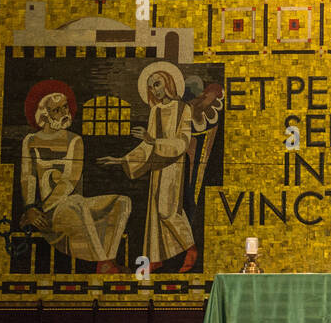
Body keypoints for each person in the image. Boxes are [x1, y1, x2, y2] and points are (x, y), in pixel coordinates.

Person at [19, 81, 130, 273]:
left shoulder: (75, 140)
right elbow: (27, 176)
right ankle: (106, 263)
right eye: (56, 110)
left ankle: (106, 261)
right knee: (77, 204)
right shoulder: (30, 141)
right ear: (44, 114)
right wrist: (30, 208)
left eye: (65, 107)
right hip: (52, 214)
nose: (64, 114)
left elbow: (70, 180)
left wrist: (39, 209)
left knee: (123, 202)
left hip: (65, 205)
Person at [98, 63, 198, 273]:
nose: (155, 90)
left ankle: (190, 248)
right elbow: (146, 145)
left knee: (166, 210)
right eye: (152, 87)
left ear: (169, 83)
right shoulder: (155, 111)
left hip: (174, 165)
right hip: (157, 165)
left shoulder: (183, 109)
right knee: (154, 213)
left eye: (158, 84)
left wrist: (152, 141)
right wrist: (121, 160)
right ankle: (154, 259)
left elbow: (182, 142)